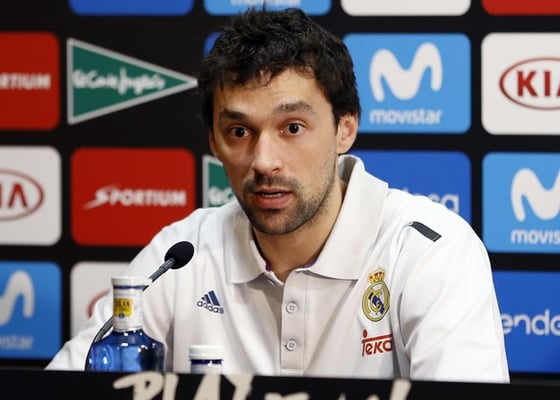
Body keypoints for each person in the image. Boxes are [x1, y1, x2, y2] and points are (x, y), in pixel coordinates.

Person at [46, 7, 509, 382]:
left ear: (345, 129)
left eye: (292, 128)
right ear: (214, 142)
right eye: (239, 131)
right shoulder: (181, 254)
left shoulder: (429, 251)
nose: (264, 161)